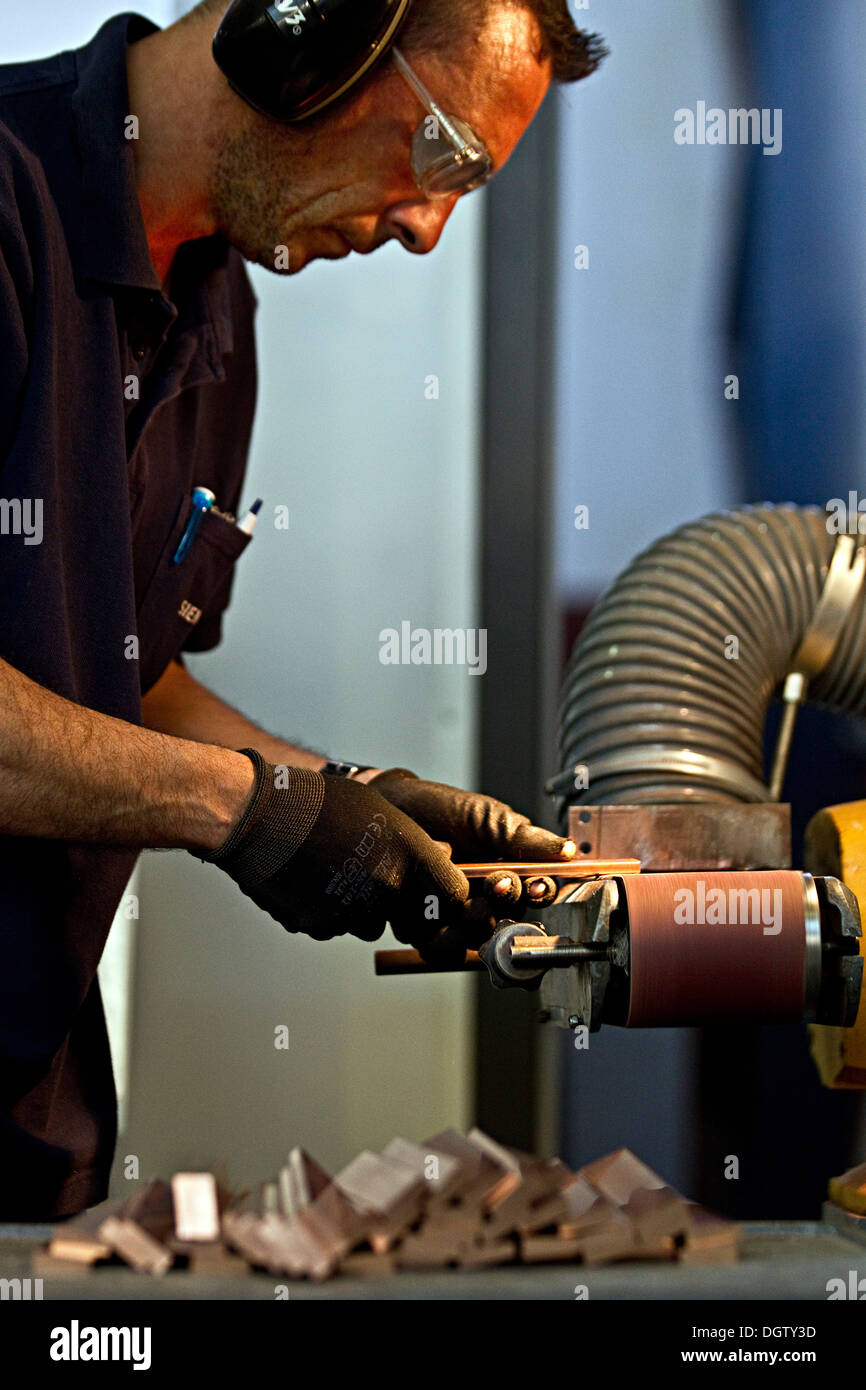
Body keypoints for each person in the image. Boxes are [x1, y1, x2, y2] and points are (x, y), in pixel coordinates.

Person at [0, 0, 604, 1217]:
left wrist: (346, 796)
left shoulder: (218, 301)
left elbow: (126, 678)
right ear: (305, 31)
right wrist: (249, 809)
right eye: (443, 155)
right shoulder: (8, 211)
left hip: (31, 1113)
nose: (428, 228)